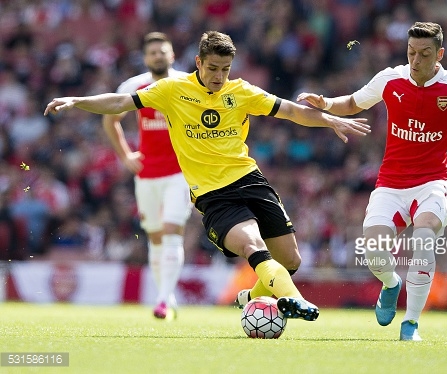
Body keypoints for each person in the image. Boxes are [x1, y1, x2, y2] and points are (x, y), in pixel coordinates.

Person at [45, 30, 370, 322]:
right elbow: (120, 103)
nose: (218, 76)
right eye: (212, 68)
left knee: (290, 259)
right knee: (253, 246)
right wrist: (77, 101)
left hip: (250, 180)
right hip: (213, 194)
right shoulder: (172, 89)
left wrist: (330, 120)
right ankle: (293, 299)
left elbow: (290, 110)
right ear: (198, 62)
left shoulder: (240, 91)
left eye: (225, 70)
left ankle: (250, 298)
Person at [297, 22, 447, 339]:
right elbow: (354, 102)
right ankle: (391, 284)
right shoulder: (390, 79)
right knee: (373, 251)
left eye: (424, 54)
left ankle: (411, 323)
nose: (416, 60)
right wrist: (327, 104)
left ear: (439, 54)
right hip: (390, 184)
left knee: (424, 237)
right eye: (411, 52)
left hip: (433, 184)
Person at [102, 32, 191, 320]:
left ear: (172, 55)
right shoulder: (134, 86)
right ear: (145, 58)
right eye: (152, 53)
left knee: (171, 232)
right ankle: (167, 294)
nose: (158, 56)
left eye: (162, 51)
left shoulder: (187, 84)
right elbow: (110, 118)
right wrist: (125, 154)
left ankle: (163, 299)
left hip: (180, 172)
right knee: (154, 237)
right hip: (147, 173)